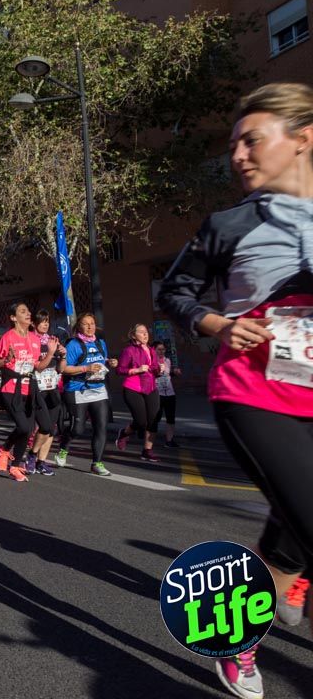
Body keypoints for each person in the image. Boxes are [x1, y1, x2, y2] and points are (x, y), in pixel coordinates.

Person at [158, 82, 313, 699]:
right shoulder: (229, 224)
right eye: (233, 145)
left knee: (293, 529)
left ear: (302, 139)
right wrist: (222, 323)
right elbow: (174, 294)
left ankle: (240, 635)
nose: (239, 155)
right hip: (254, 392)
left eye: (253, 140)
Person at [0, 302, 58, 483]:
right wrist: (6, 360)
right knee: (25, 428)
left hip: (31, 388)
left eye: (28, 311)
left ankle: (22, 458)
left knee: (45, 426)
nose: (28, 313)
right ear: (14, 317)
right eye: (23, 311)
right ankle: (7, 453)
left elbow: (38, 367)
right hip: (11, 388)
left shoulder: (35, 339)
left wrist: (51, 353)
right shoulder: (8, 337)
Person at [55, 312, 117, 476]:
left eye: (92, 323)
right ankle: (63, 447)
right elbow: (64, 369)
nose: (90, 327)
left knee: (101, 427)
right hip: (77, 390)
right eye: (86, 324)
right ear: (79, 327)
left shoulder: (101, 343)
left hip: (98, 389)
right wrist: (86, 369)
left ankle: (97, 463)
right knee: (78, 429)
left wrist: (110, 362)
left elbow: (100, 361)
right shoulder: (73, 345)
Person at [115, 323, 162, 463]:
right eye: (141, 332)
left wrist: (160, 369)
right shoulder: (129, 351)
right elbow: (119, 370)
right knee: (141, 422)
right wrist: (136, 370)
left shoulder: (151, 350)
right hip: (133, 388)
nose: (145, 334)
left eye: (146, 332)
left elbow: (153, 370)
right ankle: (124, 433)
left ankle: (147, 450)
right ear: (134, 335)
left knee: (153, 420)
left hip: (151, 388)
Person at [26, 310, 62, 476]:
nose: (45, 324)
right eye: (42, 321)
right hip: (36, 388)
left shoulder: (53, 340)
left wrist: (63, 355)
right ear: (34, 324)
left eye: (47, 321)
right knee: (44, 426)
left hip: (52, 388)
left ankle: (42, 462)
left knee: (51, 429)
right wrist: (50, 352)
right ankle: (32, 455)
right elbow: (37, 366)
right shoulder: (30, 340)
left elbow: (61, 368)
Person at [152, 341, 182, 447]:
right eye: (159, 349)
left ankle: (169, 441)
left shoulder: (167, 361)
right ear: (153, 350)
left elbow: (168, 374)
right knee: (156, 417)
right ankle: (150, 440)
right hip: (157, 393)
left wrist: (174, 373)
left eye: (163, 349)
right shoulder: (151, 361)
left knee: (171, 417)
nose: (161, 352)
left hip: (169, 393)